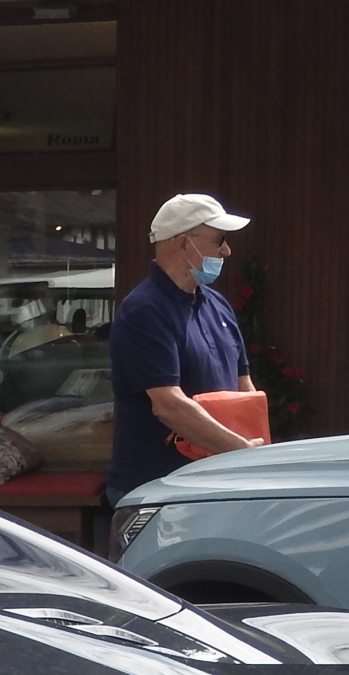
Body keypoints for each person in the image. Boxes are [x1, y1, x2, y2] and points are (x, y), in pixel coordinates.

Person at [109, 192, 262, 504]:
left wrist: (253, 457)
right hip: (158, 491)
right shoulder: (144, 310)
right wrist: (244, 452)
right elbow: (167, 405)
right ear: (182, 243)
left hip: (214, 483)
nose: (227, 250)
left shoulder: (216, 303)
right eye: (219, 239)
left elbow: (244, 387)